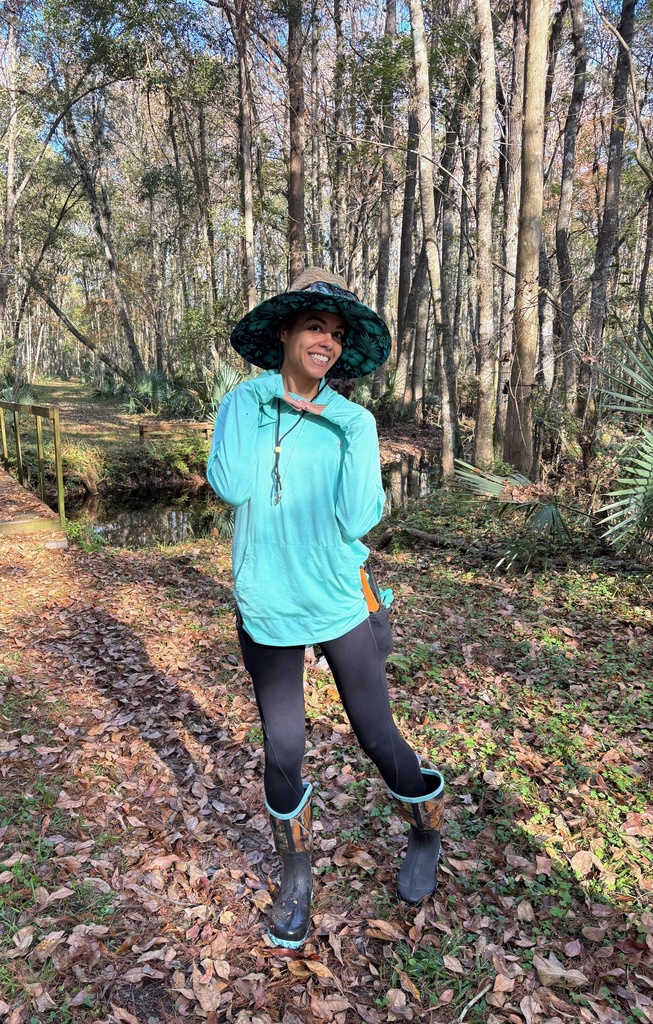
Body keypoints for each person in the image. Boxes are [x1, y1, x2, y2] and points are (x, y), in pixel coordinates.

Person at [206, 268, 444, 949]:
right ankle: (296, 871)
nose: (327, 342)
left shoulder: (354, 421)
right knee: (284, 746)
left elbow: (357, 518)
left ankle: (425, 835)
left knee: (377, 736)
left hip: (340, 599)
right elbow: (230, 485)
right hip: (268, 603)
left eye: (337, 334)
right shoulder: (242, 403)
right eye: (315, 326)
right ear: (284, 331)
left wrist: (337, 423)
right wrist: (264, 408)